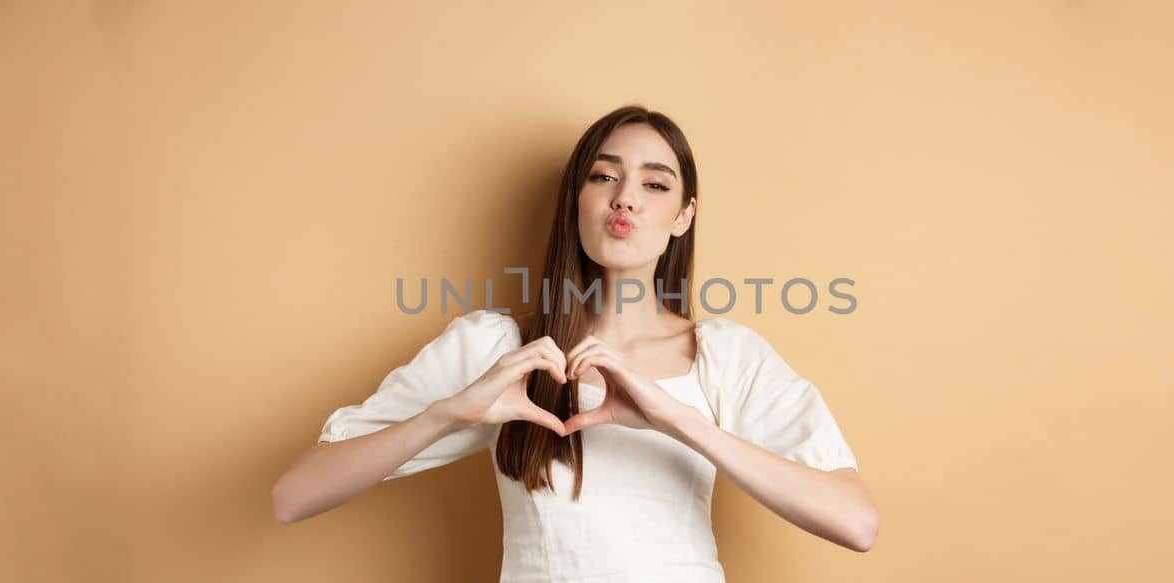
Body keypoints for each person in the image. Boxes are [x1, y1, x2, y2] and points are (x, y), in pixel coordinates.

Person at [271, 104, 878, 581]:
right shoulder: (500, 350)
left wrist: (680, 421)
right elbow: (293, 497)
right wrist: (448, 412)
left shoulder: (725, 355)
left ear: (684, 217)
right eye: (604, 176)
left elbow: (856, 522)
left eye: (656, 184)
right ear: (577, 201)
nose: (626, 198)